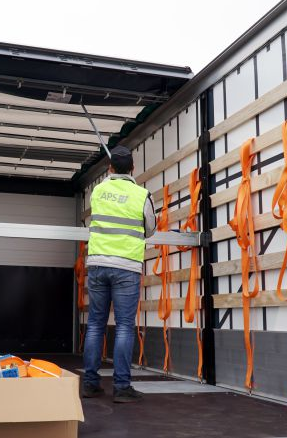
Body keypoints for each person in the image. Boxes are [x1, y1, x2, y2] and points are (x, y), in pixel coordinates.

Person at [82, 145, 156, 403]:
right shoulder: (142, 195)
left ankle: (90, 385)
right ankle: (122, 388)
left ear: (110, 168)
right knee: (124, 325)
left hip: (98, 264)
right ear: (133, 168)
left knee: (95, 324)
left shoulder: (97, 191)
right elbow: (150, 229)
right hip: (126, 265)